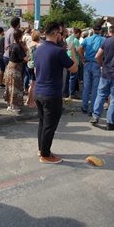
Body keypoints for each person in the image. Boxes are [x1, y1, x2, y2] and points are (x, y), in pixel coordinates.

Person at [34, 21, 78, 164]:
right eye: (61, 33)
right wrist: (72, 51)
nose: (62, 36)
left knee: (43, 123)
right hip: (51, 94)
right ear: (54, 34)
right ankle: (45, 155)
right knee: (50, 126)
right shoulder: (59, 51)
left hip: (39, 91)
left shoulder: (39, 48)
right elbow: (74, 69)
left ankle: (42, 149)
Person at [90, 22, 114, 130]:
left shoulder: (107, 40)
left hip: (105, 73)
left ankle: (95, 115)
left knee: (101, 94)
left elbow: (97, 56)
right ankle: (110, 121)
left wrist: (102, 65)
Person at [78, 25, 105, 116]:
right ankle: (92, 108)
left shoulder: (87, 39)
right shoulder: (103, 40)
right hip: (97, 64)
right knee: (95, 88)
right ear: (101, 30)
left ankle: (84, 106)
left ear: (93, 30)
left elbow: (79, 49)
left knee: (86, 87)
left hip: (87, 63)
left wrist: (83, 58)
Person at [4, 29, 28, 113]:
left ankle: (9, 105)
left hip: (9, 67)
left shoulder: (12, 45)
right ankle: (14, 106)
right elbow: (26, 59)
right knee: (15, 87)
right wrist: (26, 49)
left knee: (10, 87)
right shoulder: (19, 47)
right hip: (15, 69)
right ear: (20, 36)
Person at [63, 28, 81, 99]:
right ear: (78, 33)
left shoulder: (67, 39)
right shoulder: (76, 40)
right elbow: (79, 51)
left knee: (67, 77)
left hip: (67, 59)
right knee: (73, 78)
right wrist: (82, 58)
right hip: (74, 59)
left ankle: (66, 92)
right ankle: (72, 93)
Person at [25, 30, 40, 108]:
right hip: (35, 66)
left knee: (31, 84)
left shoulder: (29, 44)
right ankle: (31, 102)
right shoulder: (38, 45)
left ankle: (28, 100)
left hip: (29, 65)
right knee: (33, 85)